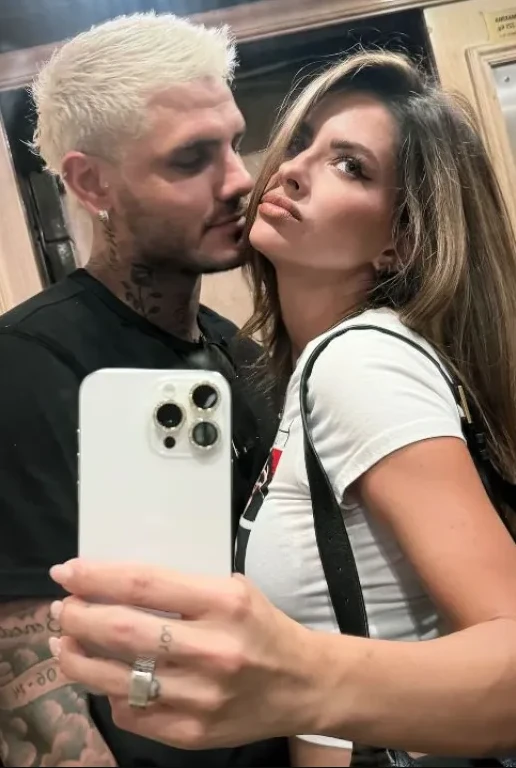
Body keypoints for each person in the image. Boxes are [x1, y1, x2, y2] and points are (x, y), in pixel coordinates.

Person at [49, 49, 516, 766]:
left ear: (399, 242)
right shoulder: (296, 367)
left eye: (350, 166)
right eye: (302, 142)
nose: (290, 169)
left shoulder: (359, 362)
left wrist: (295, 678)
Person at [0, 12, 289, 768]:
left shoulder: (239, 356)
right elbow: (32, 693)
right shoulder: (24, 368)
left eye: (232, 142)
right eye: (191, 158)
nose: (239, 179)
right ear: (91, 183)